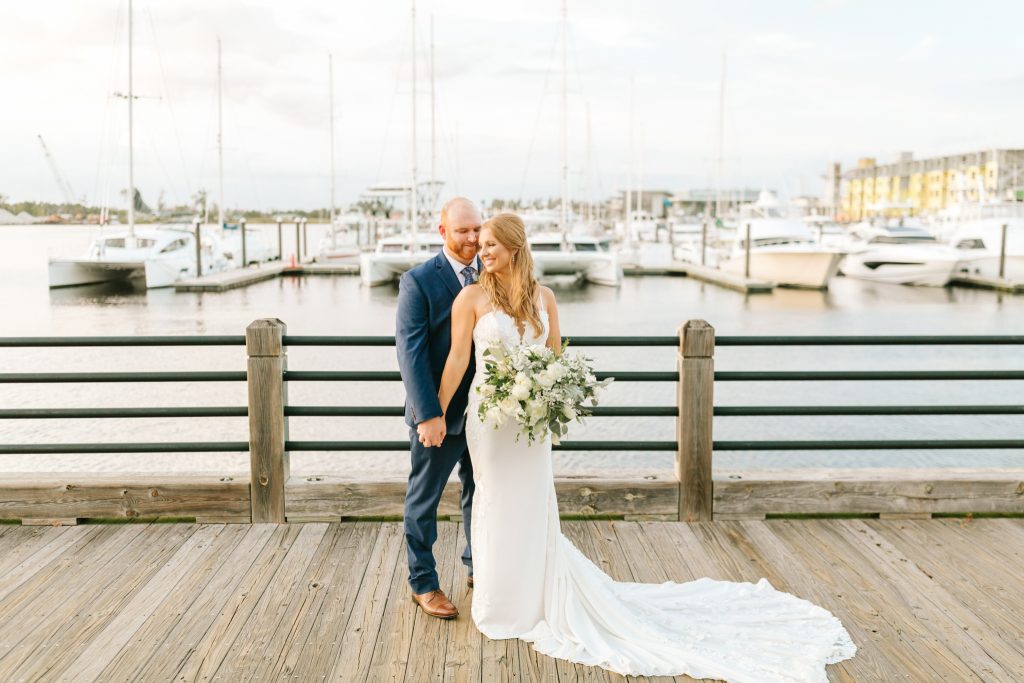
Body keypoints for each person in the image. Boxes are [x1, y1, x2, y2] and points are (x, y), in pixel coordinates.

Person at [434, 212, 857, 680]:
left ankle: (535, 595)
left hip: (531, 424)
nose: (484, 251)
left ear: (515, 248)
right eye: (482, 244)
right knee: (494, 502)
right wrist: (434, 412)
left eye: (493, 244)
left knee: (532, 503)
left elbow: (555, 357)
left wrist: (546, 393)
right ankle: (501, 603)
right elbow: (457, 359)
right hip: (492, 422)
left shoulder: (544, 298)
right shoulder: (470, 297)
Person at [395, 197, 482, 619]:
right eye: (463, 230)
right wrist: (428, 414)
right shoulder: (418, 281)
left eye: (477, 229)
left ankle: (477, 565)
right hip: (439, 413)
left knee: (480, 493)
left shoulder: (494, 272)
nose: (473, 238)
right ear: (443, 231)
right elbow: (410, 352)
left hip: (488, 411)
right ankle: (423, 582)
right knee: (424, 498)